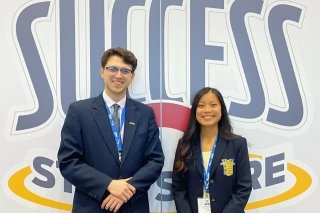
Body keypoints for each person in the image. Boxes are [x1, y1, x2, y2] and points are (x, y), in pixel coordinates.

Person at [58, 47, 164, 213]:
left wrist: (127, 189)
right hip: (92, 205)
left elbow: (155, 160)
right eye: (113, 69)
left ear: (132, 76)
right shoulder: (79, 111)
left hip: (133, 206)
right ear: (102, 71)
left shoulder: (144, 114)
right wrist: (108, 184)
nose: (119, 75)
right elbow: (68, 162)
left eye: (125, 71)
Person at [172, 87, 252, 213]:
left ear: (221, 109)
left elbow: (243, 188)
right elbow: (178, 187)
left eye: (213, 105)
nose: (207, 110)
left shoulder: (237, 144)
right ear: (195, 111)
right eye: (201, 105)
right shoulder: (184, 145)